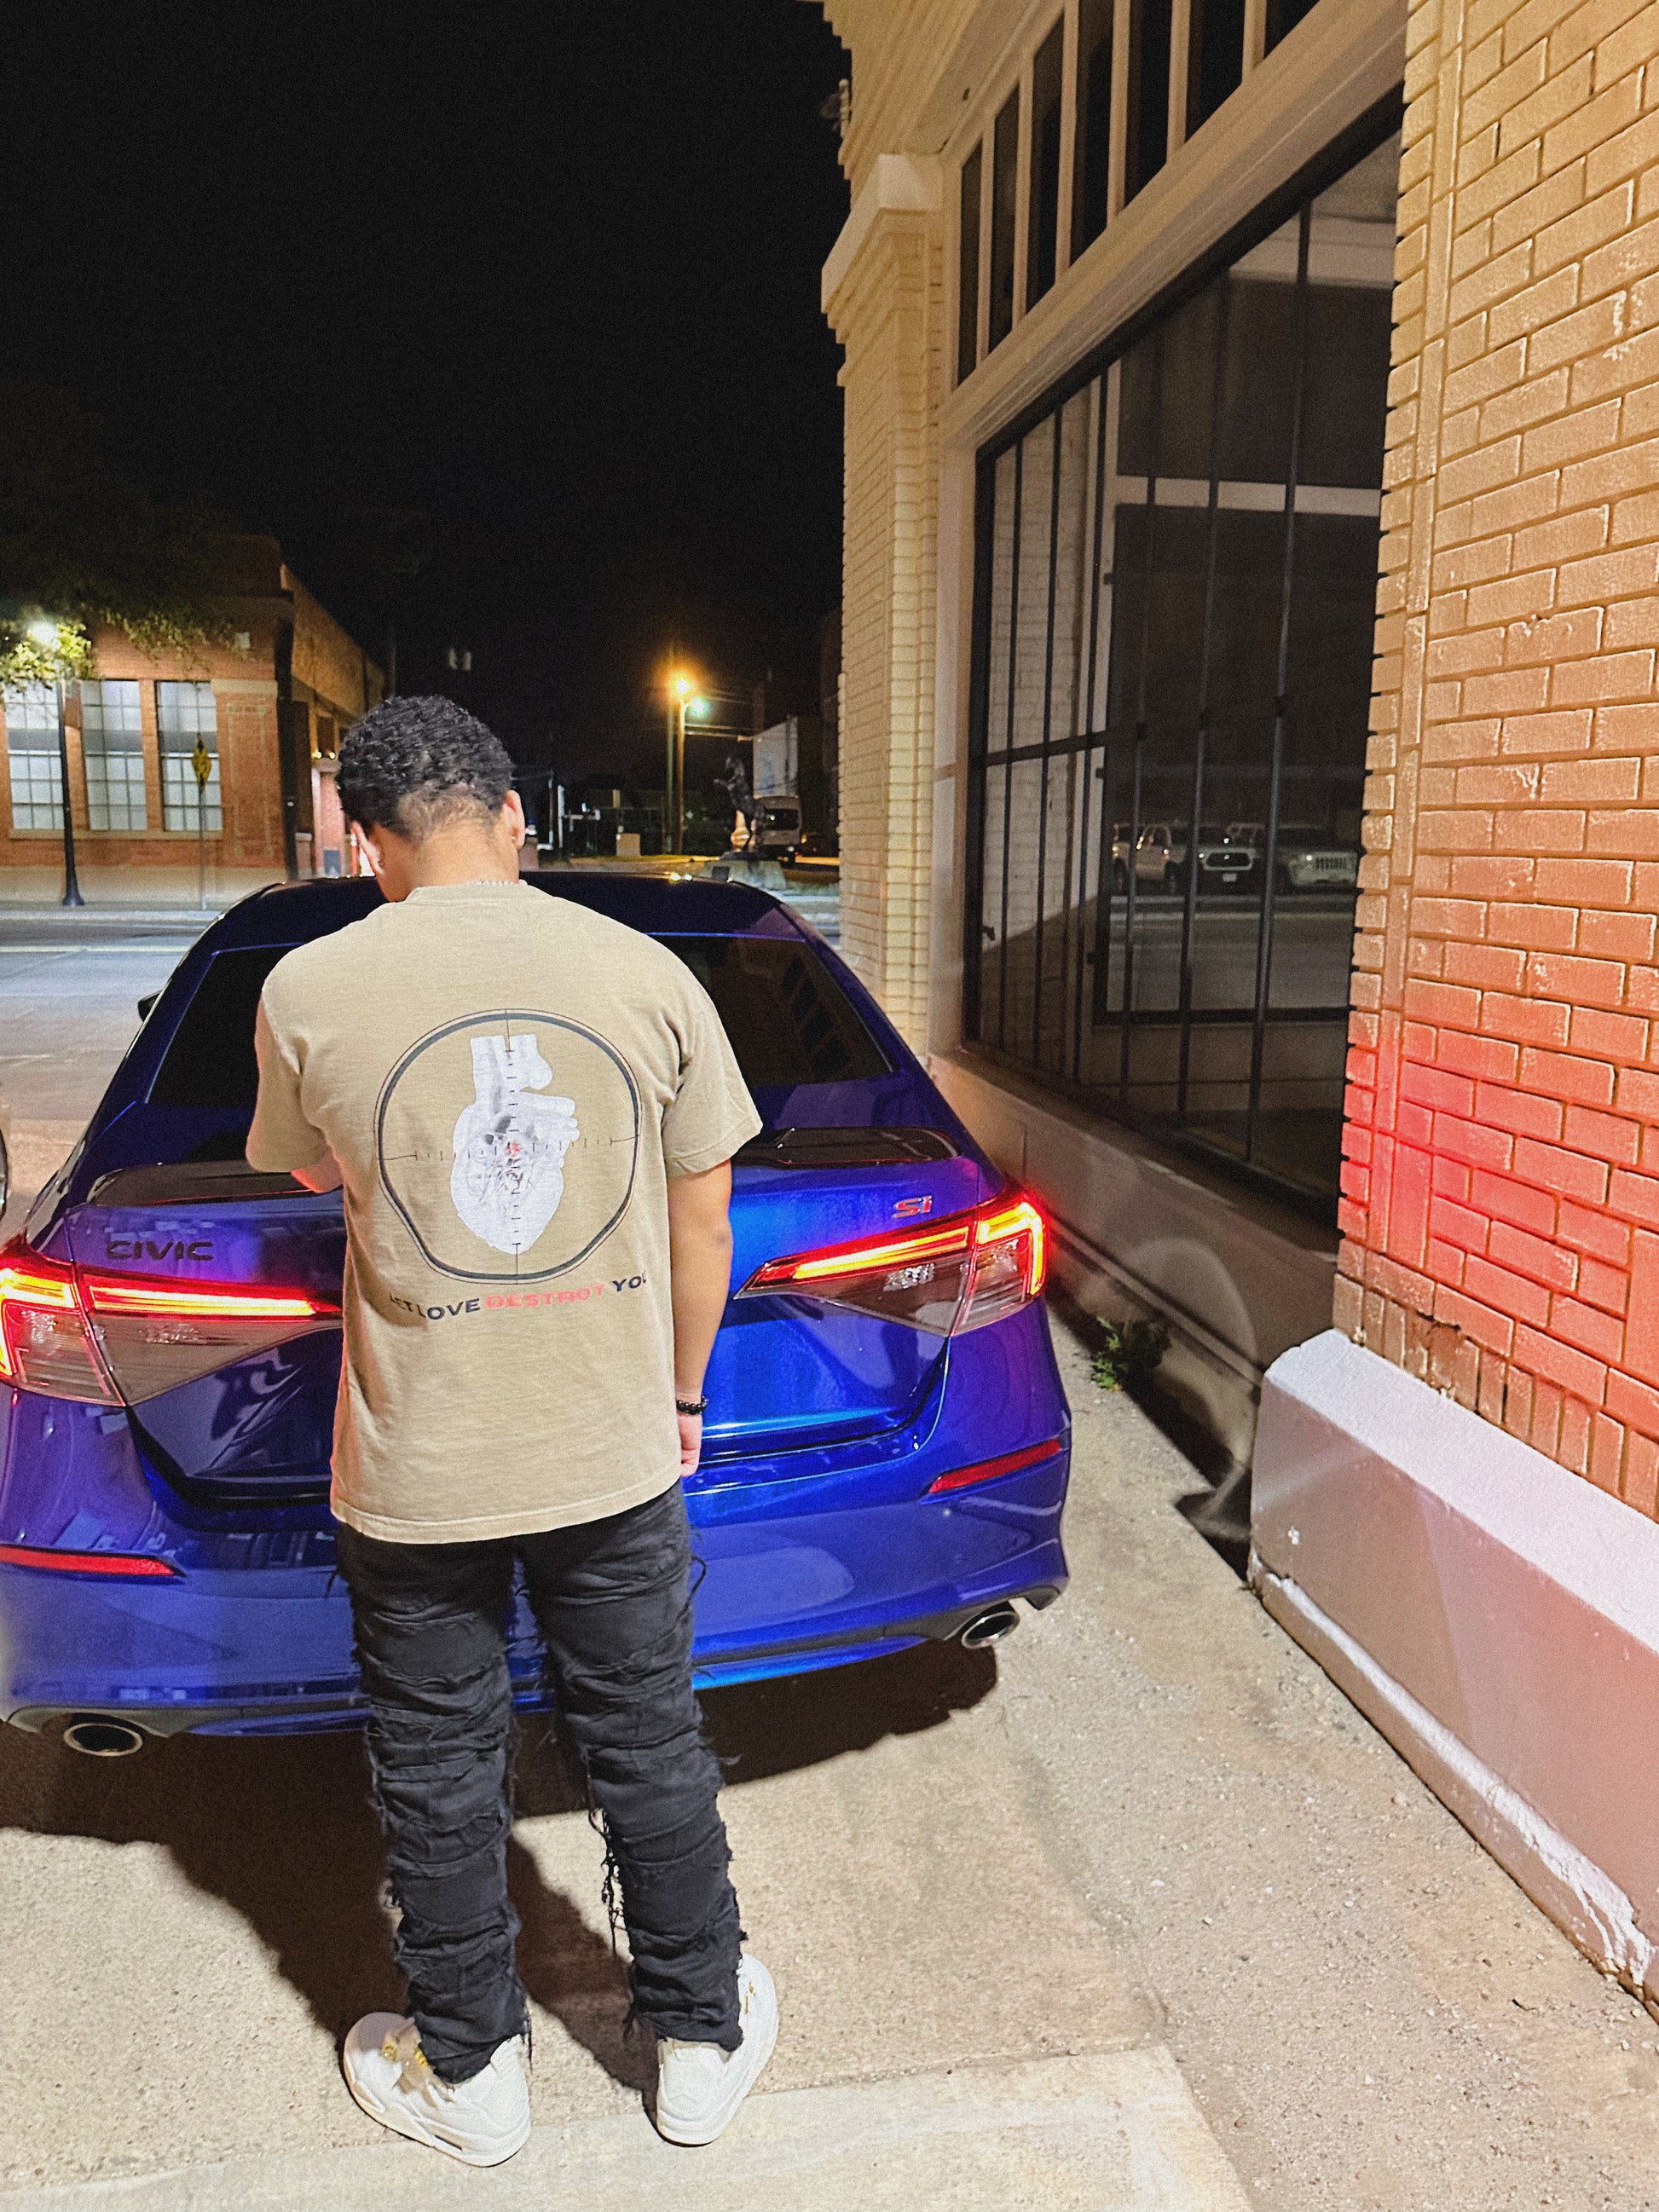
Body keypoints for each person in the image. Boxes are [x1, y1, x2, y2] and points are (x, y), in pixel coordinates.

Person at [246, 695, 777, 2168]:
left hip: (417, 1467)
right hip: (608, 1449)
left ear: (368, 844)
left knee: (434, 1765)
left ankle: (471, 2082)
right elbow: (704, 1215)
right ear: (515, 814)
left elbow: (308, 1175)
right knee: (648, 1743)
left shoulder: (307, 985)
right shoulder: (644, 969)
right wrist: (678, 1397)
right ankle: (698, 2041)